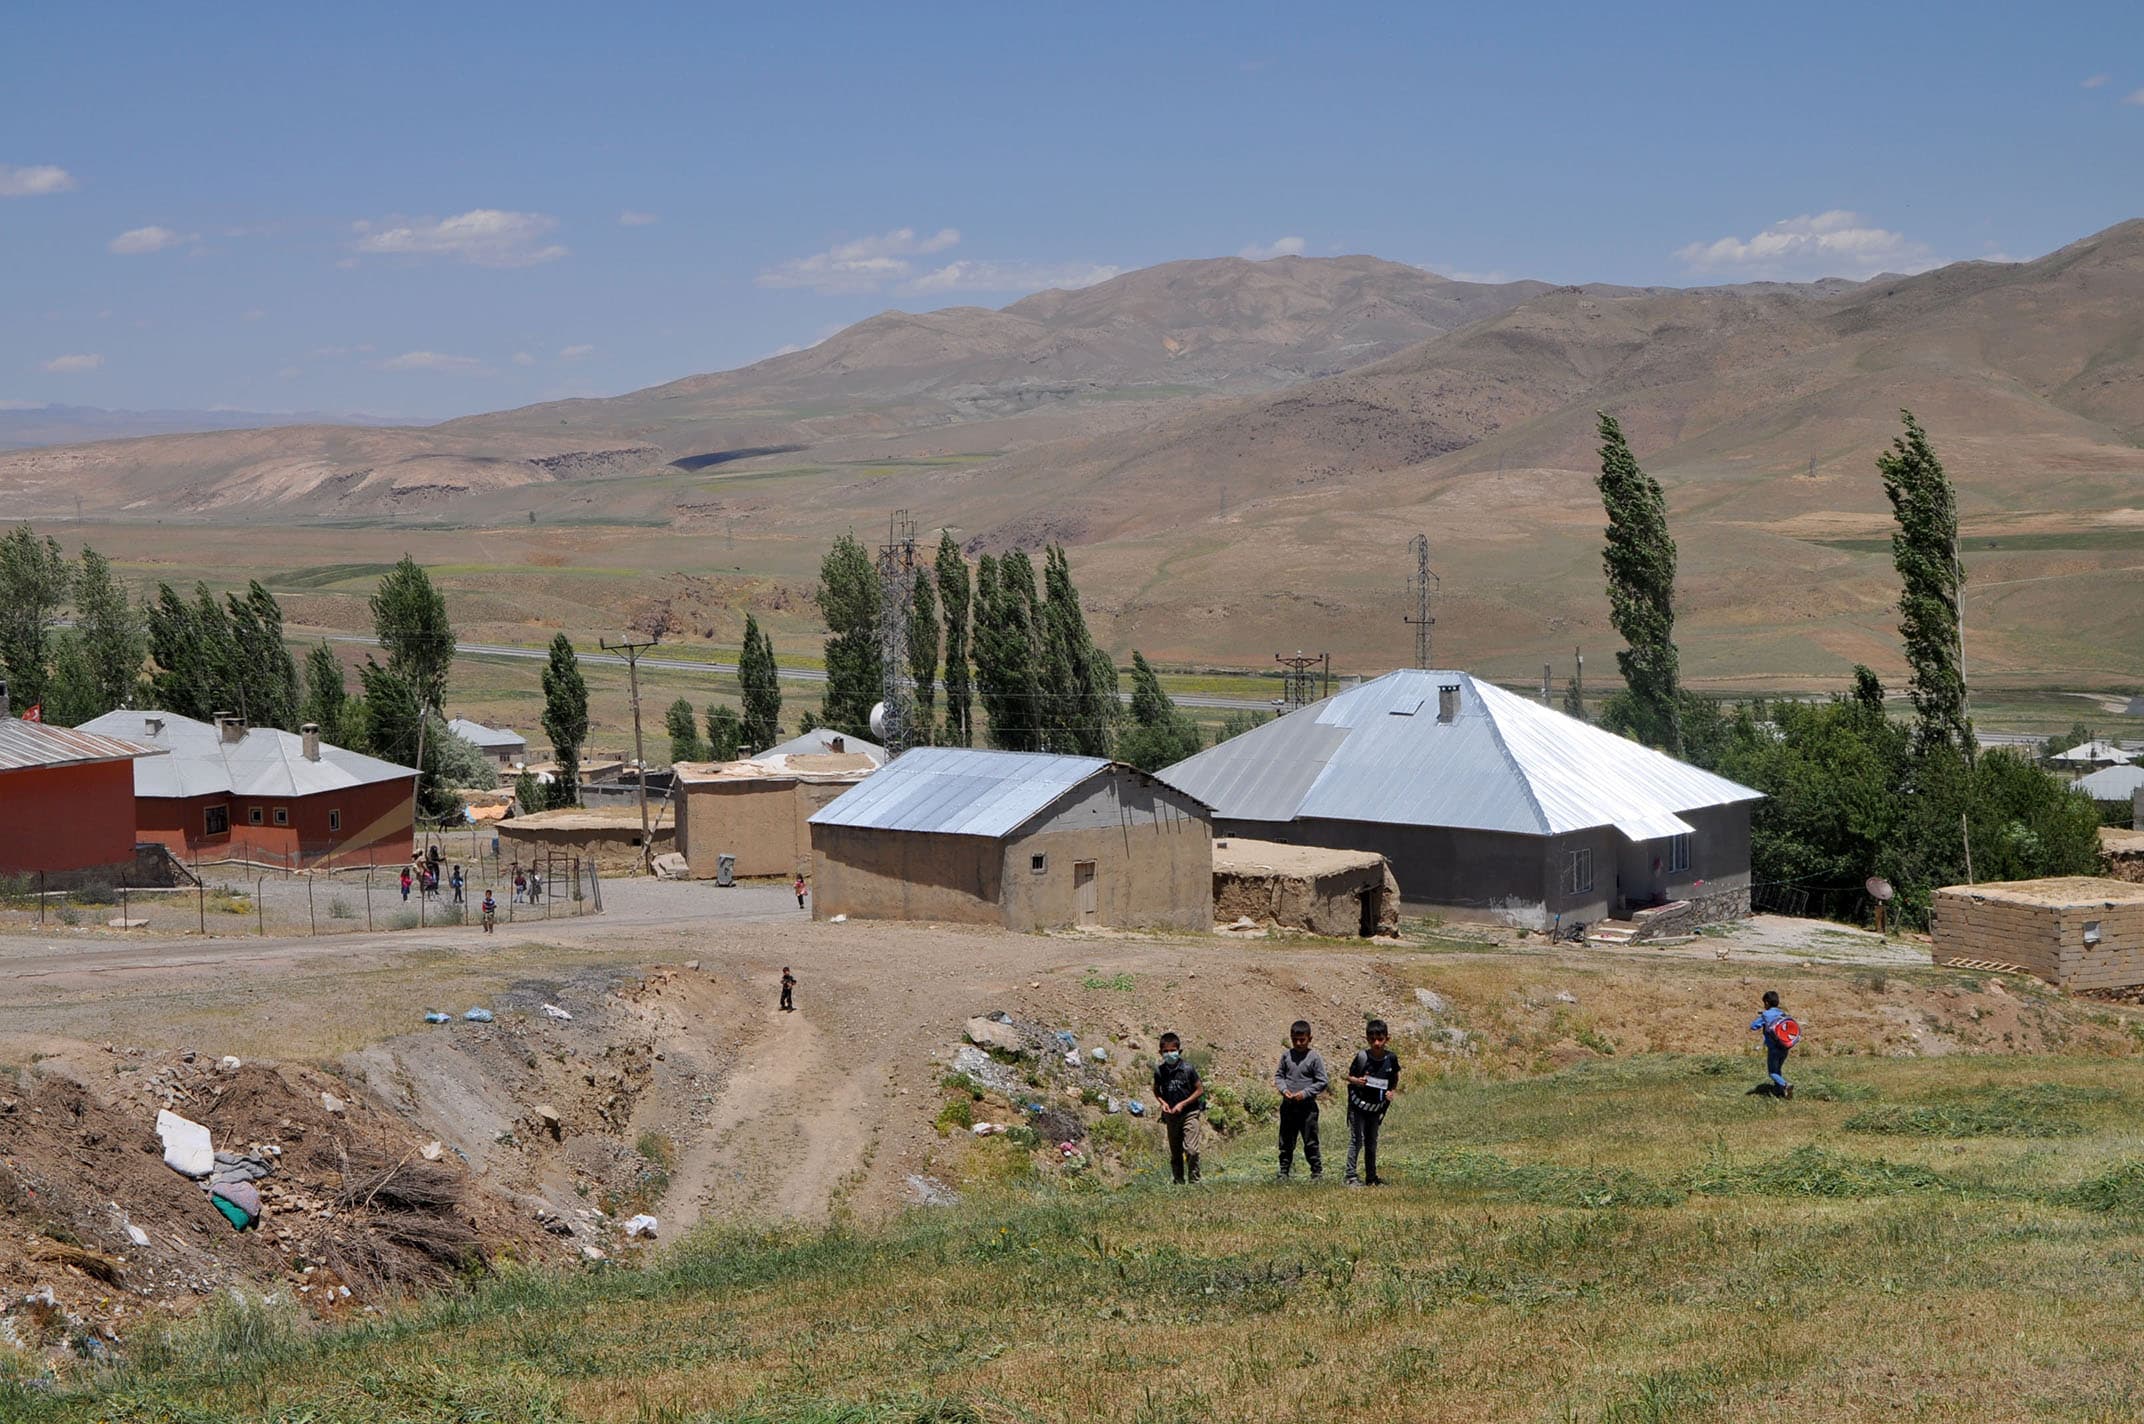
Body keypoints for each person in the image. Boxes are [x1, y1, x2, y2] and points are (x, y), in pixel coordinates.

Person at [1344, 1019, 1401, 1187]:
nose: (1376, 1043)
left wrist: (1392, 1091)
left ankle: (1371, 1177)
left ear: (1387, 1039)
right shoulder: (1362, 1057)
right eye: (1372, 1039)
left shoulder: (1391, 1058)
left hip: (1376, 1109)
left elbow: (1394, 1078)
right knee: (1357, 1140)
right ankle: (1350, 1177)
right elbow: (1349, 1076)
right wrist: (1357, 1081)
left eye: (1380, 1039)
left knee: (1371, 1141)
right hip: (1358, 1107)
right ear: (1367, 1039)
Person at [1274, 1019, 1328, 1180]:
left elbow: (1322, 1081)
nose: (1298, 1043)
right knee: (1286, 1141)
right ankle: (1284, 1172)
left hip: (1307, 1108)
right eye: (1295, 1039)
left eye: (1302, 1040)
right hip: (1288, 1106)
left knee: (1310, 1140)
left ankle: (1316, 1172)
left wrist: (1304, 1093)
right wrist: (1284, 1090)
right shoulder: (1286, 1056)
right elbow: (1279, 1076)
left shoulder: (1314, 1058)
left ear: (1310, 1039)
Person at [1152, 1031, 1206, 1184]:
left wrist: (1183, 1103)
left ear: (1179, 1051)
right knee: (1175, 1152)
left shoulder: (1187, 1069)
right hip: (1171, 1116)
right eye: (1166, 1051)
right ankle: (1178, 1181)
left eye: (1173, 1051)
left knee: (1191, 1150)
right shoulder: (1159, 1071)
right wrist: (1163, 1103)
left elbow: (1199, 1090)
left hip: (1190, 1113)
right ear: (1160, 1052)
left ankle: (1195, 1181)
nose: (1170, 1054)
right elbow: (1156, 1091)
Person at [1750, 990, 1794, 1099]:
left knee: (1772, 1072)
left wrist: (1762, 1018)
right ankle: (1779, 1091)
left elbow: (1753, 1026)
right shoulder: (1783, 1014)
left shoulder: (1765, 1015)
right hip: (1785, 1047)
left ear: (1766, 1003)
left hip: (1774, 1048)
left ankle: (1785, 1085)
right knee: (1778, 1069)